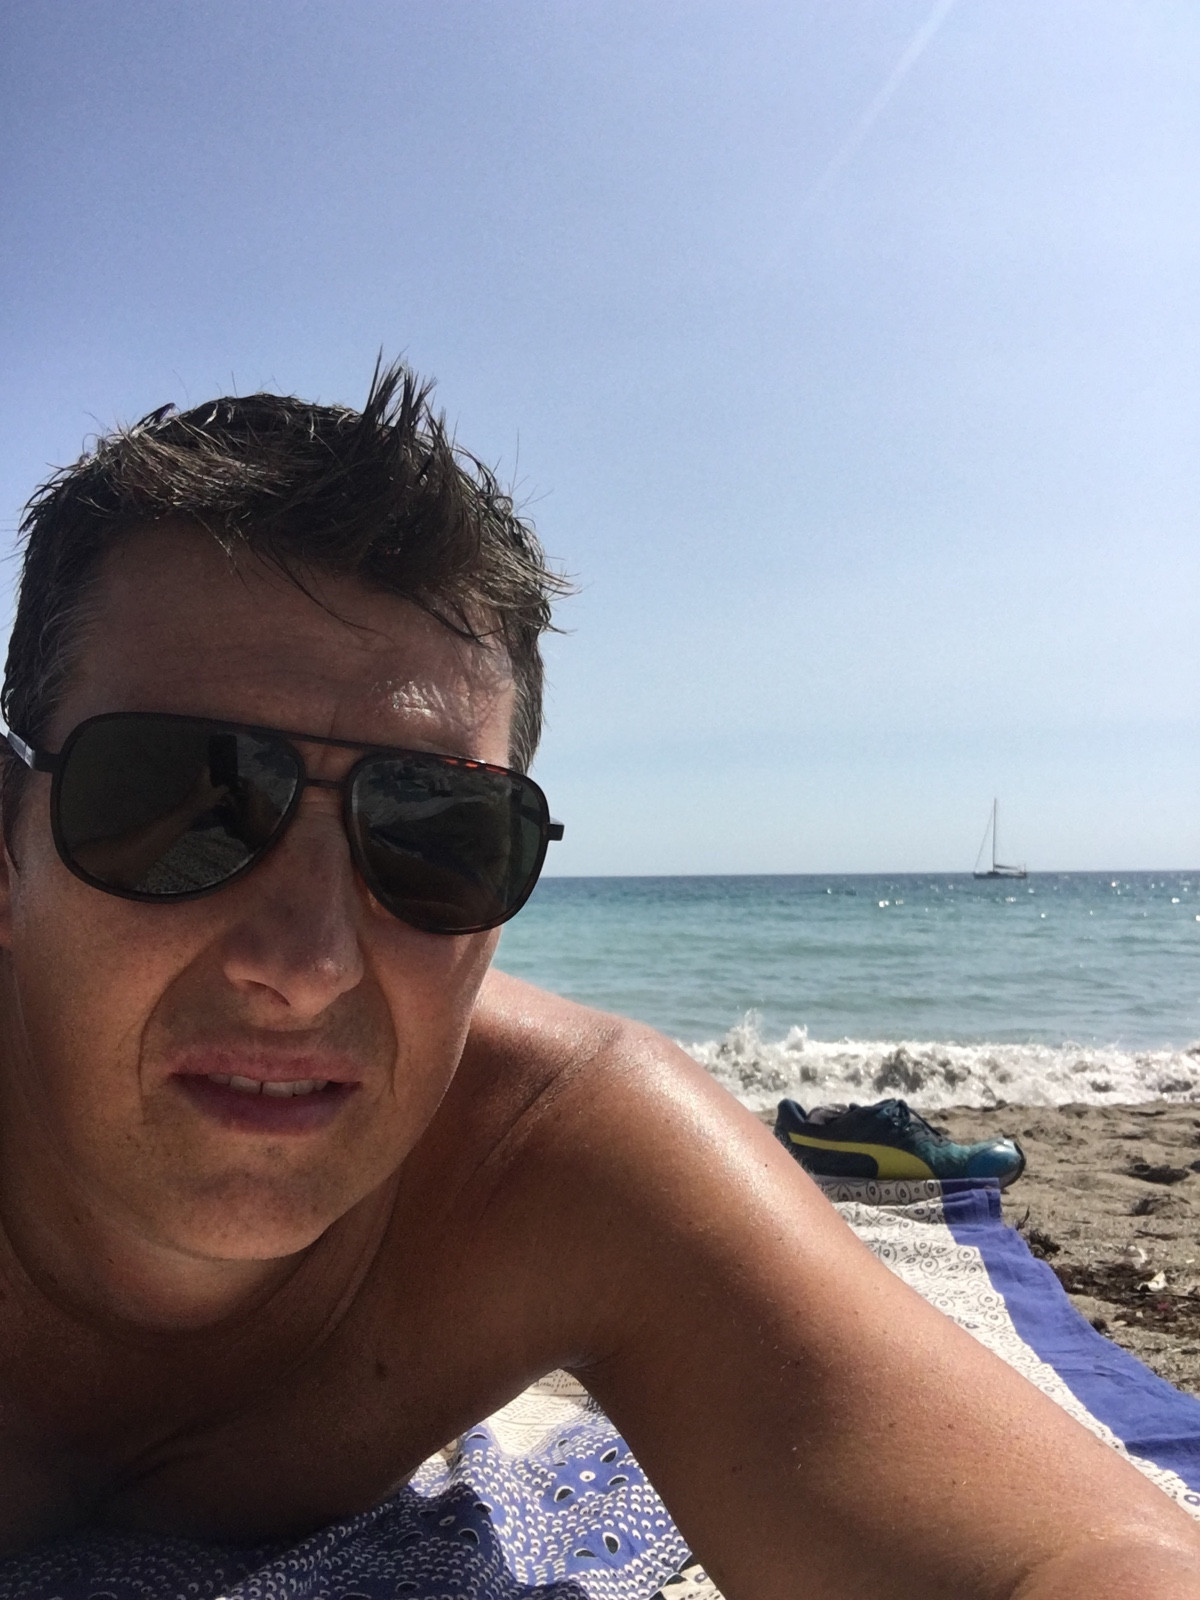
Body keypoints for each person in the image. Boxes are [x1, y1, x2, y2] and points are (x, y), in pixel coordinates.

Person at [0, 362, 1195, 1600]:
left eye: (435, 834)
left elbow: (1082, 1555)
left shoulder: (541, 1159)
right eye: (181, 805)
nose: (306, 965)